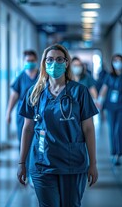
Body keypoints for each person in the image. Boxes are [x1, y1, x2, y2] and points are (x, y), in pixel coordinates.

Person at [17, 44, 98, 207]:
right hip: (42, 163)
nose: (55, 63)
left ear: (66, 63)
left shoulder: (80, 92)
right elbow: (27, 129)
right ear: (44, 64)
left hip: (73, 163)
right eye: (50, 60)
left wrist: (93, 163)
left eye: (59, 59)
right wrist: (21, 163)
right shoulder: (34, 93)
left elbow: (88, 129)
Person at [6, 49, 39, 182]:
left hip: (39, 115)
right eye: (27, 61)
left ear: (36, 61)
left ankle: (35, 172)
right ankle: (26, 172)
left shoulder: (41, 76)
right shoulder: (21, 77)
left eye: (32, 61)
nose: (30, 63)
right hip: (23, 116)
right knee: (24, 141)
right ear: (24, 61)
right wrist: (8, 112)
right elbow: (14, 96)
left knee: (37, 143)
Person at [97, 54, 122, 166]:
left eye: (119, 61)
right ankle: (113, 153)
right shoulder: (109, 76)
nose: (117, 63)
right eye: (115, 61)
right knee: (112, 130)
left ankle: (119, 153)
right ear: (112, 63)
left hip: (121, 106)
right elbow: (104, 90)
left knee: (119, 129)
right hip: (110, 107)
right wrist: (100, 102)